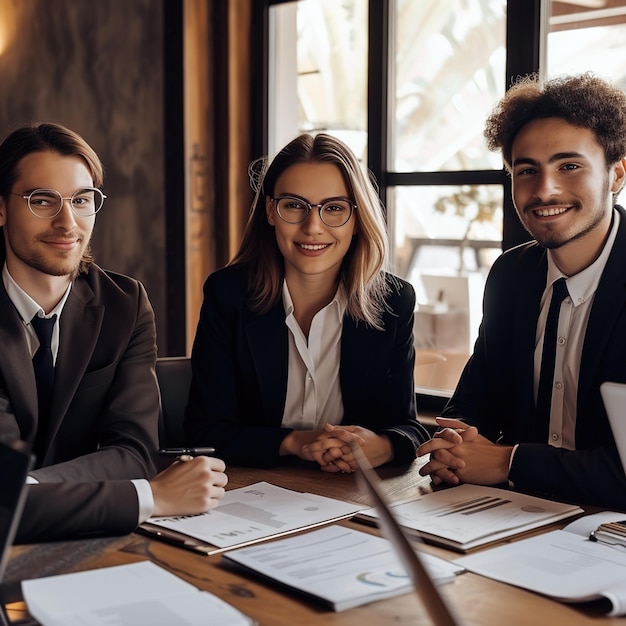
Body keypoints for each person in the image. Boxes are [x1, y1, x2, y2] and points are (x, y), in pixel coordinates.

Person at [0, 122, 227, 543]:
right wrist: (151, 497)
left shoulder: (125, 304)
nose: (67, 222)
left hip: (97, 542)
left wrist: (22, 493)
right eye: (41, 200)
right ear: (1, 209)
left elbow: (135, 453)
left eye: (82, 200)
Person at [417, 73, 626, 509]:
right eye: (527, 170)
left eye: (569, 166)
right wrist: (455, 444)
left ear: (616, 174)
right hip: (510, 520)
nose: (545, 189)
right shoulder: (511, 274)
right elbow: (473, 401)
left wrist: (506, 462)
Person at [185, 133, 429, 471]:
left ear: (357, 219)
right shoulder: (228, 295)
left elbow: (408, 426)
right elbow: (202, 431)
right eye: (294, 205)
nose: (313, 227)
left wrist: (383, 447)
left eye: (334, 208)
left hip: (350, 495)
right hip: (251, 491)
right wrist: (296, 442)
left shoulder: (394, 302)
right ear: (271, 210)